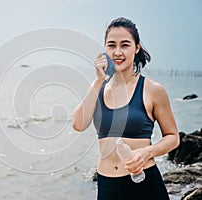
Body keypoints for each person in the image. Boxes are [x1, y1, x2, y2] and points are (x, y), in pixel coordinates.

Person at [72, 17, 179, 200]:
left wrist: (147, 152)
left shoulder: (152, 90)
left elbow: (173, 137)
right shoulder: (99, 87)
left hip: (144, 185)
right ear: (105, 49)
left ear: (136, 48)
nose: (118, 52)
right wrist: (98, 80)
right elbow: (78, 124)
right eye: (112, 45)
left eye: (125, 45)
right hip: (107, 186)